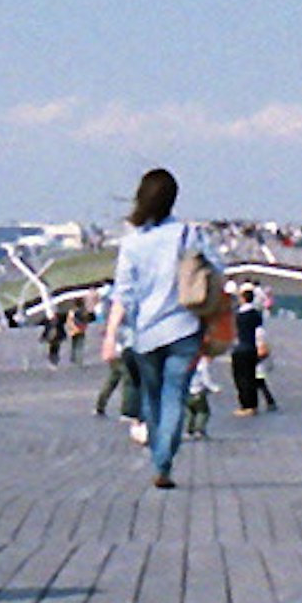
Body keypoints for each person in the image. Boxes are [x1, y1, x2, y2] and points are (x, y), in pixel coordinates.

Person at [103, 167, 208, 491]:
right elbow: (215, 270)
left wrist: (110, 336)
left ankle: (159, 455)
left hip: (145, 334)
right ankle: (164, 460)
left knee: (152, 397)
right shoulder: (188, 234)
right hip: (185, 328)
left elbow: (123, 292)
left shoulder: (134, 243)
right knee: (175, 394)